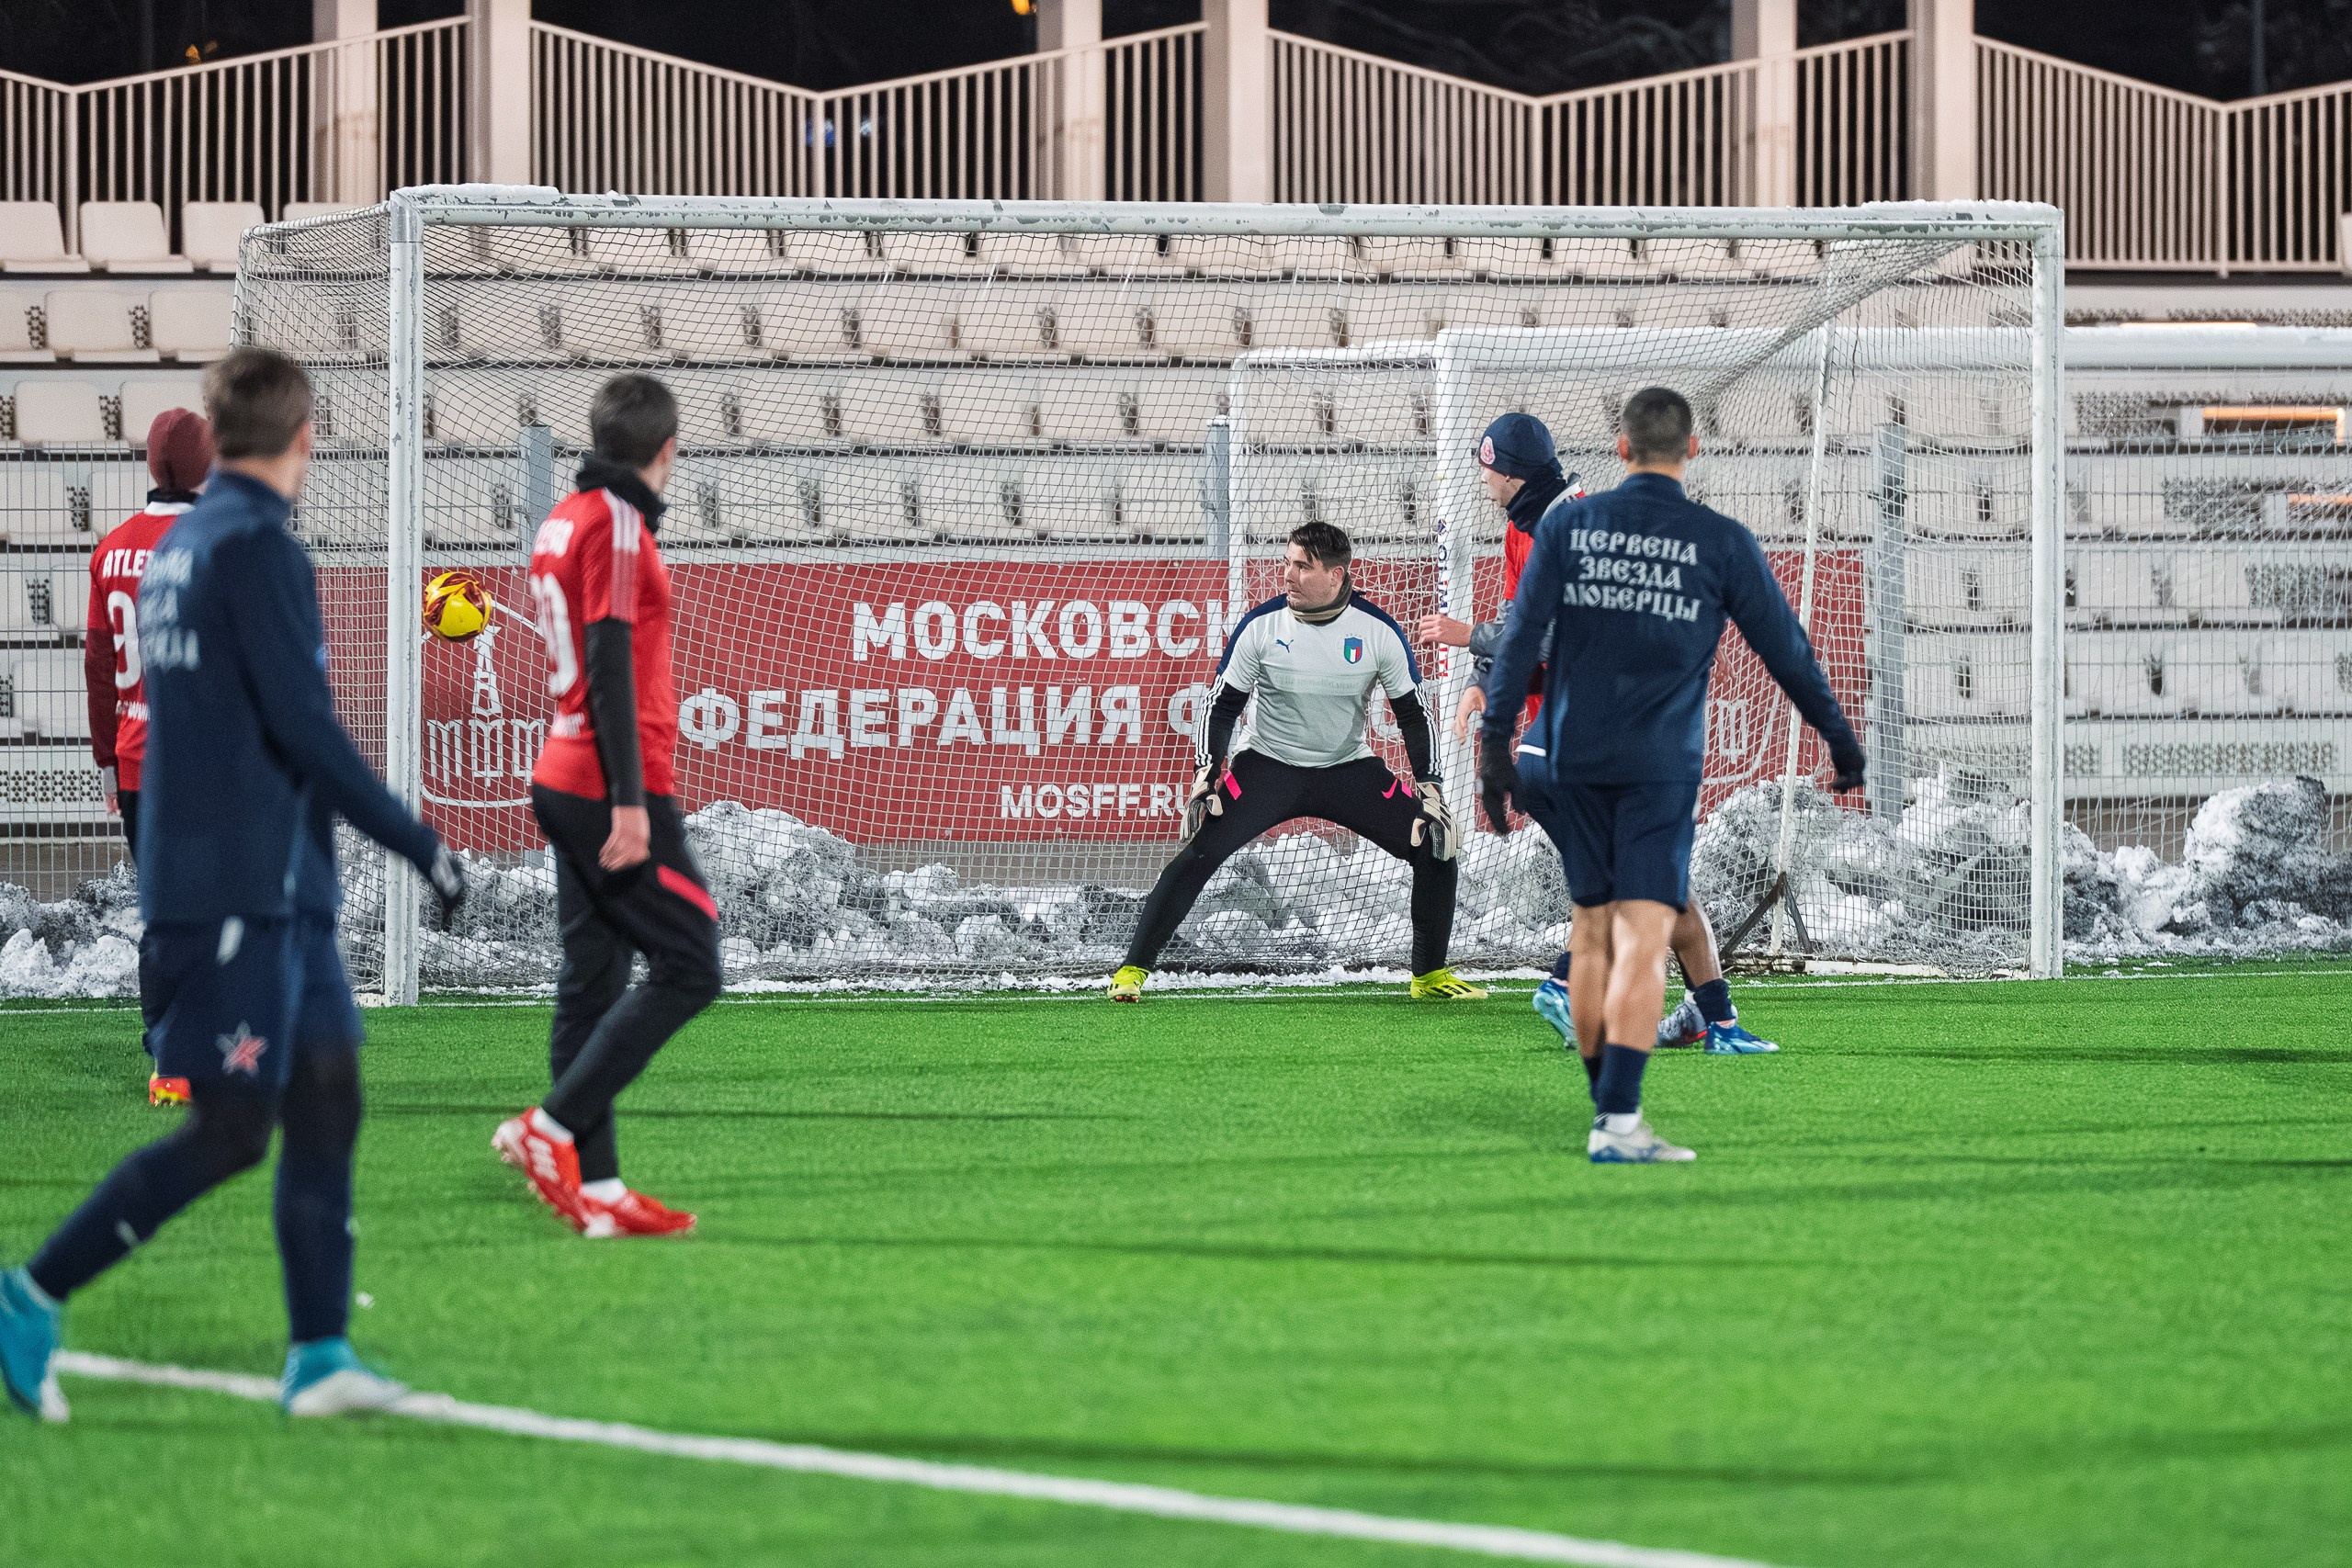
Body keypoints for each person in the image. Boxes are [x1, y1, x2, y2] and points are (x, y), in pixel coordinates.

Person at [1, 347, 466, 1422]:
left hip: (271, 884)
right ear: (306, 437)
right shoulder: (256, 548)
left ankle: (320, 1355)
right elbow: (304, 728)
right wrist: (416, 841)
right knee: (231, 1129)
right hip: (233, 893)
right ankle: (30, 1297)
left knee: (329, 1096)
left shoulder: (174, 551)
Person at [1478, 388, 1863, 1164]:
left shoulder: (1570, 525)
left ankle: (1606, 1109)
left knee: (1591, 937)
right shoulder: (1719, 539)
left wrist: (1492, 744)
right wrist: (1838, 738)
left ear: (1620, 449)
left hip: (1565, 756)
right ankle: (1617, 1120)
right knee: (1644, 937)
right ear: (1691, 452)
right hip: (1655, 767)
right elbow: (1786, 652)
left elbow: (1520, 636)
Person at [1419, 412, 1777, 1056]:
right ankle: (1575, 988)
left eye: (1490, 471)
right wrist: (1480, 668)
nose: (1485, 483)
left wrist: (1473, 643)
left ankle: (1713, 1019)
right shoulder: (1539, 530)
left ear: (1514, 473)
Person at [494, 373, 720, 1239]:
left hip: (562, 770)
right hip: (606, 783)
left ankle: (600, 1189)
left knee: (593, 980)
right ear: (668, 451)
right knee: (693, 962)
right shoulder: (620, 525)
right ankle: (548, 1129)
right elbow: (609, 662)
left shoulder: (564, 515)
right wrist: (632, 804)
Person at [1109, 521, 1480, 1003]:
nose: (1287, 575)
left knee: (1435, 842)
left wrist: (1430, 786)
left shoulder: (1377, 631)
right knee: (1202, 850)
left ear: (1336, 575)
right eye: (1287, 562)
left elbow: (1413, 714)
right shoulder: (1262, 625)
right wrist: (1206, 773)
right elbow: (1221, 706)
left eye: (1302, 566)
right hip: (1268, 766)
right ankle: (1132, 970)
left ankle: (1428, 978)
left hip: (1348, 770)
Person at [85, 407, 217, 1105]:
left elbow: (98, 666)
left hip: (137, 761)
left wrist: (107, 765)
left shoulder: (111, 550)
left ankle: (169, 1057)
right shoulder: (218, 545)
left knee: (164, 911)